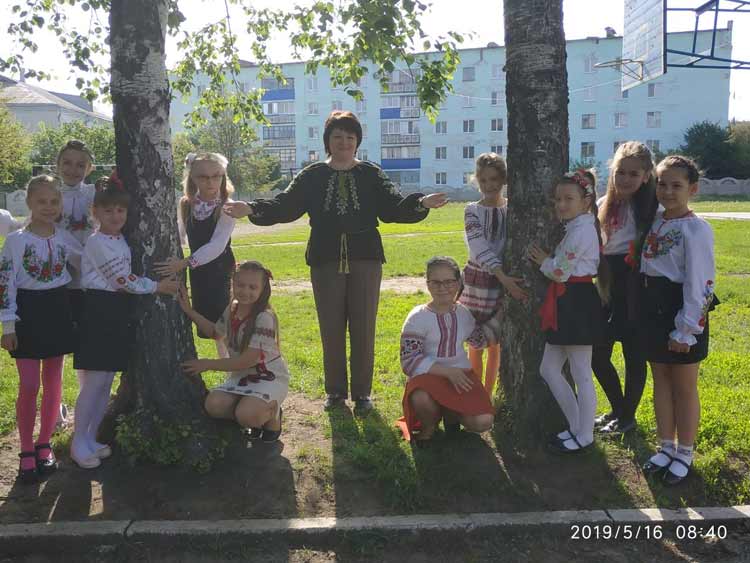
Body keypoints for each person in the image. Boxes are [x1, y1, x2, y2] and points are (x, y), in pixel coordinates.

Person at [223, 111, 448, 414]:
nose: (344, 142)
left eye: (350, 137)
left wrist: (421, 203)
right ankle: (335, 393)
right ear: (327, 141)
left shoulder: (370, 173)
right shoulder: (312, 175)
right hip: (325, 257)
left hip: (366, 257)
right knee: (330, 327)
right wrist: (251, 207)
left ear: (358, 142)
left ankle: (363, 394)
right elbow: (286, 205)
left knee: (364, 326)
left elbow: (393, 206)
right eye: (337, 136)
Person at [71, 172, 179, 469]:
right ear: (95, 211)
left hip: (116, 312)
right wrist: (157, 286)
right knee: (94, 382)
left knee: (106, 381)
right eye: (108, 210)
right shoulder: (97, 242)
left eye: (120, 210)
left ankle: (91, 437)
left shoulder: (118, 239)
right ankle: (78, 441)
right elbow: (121, 280)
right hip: (99, 311)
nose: (116, 215)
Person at [640, 156, 717, 486]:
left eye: (676, 185)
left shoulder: (695, 230)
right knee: (661, 380)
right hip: (653, 311)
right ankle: (665, 446)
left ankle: (685, 452)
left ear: (692, 189)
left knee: (684, 386)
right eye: (662, 184)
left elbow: (701, 284)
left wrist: (685, 330)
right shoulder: (656, 221)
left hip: (681, 310)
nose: (668, 191)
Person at [0, 175, 82, 483]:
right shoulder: (17, 241)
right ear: (29, 203)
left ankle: (44, 443)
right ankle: (25, 448)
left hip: (57, 310)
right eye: (41, 201)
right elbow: (5, 282)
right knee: (29, 384)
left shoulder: (64, 237)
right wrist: (8, 324)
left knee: (53, 380)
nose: (49, 207)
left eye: (54, 201)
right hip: (27, 312)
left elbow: (85, 261)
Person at [528, 171, 609, 453]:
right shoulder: (576, 227)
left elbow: (560, 272)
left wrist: (543, 260)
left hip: (577, 302)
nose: (561, 204)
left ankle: (585, 435)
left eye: (568, 199)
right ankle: (577, 426)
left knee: (581, 371)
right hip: (568, 301)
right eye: (558, 199)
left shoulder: (582, 230)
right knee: (549, 369)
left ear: (586, 201)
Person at [179, 261, 289, 442]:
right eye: (240, 285)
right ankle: (250, 409)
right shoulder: (233, 308)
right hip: (241, 376)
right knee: (213, 405)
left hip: (268, 377)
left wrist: (207, 364)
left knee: (247, 415)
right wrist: (189, 311)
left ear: (263, 289)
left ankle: (272, 416)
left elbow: (247, 361)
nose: (245, 291)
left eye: (252, 287)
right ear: (232, 283)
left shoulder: (264, 318)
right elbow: (216, 333)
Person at [592, 142, 658, 435]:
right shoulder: (602, 204)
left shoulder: (652, 209)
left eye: (634, 174)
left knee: (634, 355)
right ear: (613, 171)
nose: (626, 179)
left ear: (646, 176)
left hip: (636, 284)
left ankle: (627, 417)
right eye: (621, 172)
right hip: (606, 282)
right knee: (597, 353)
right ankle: (618, 409)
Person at [398, 256, 499, 446]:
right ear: (427, 284)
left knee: (484, 421)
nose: (442, 287)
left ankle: (451, 416)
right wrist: (448, 372)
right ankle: (429, 427)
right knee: (421, 398)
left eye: (449, 282)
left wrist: (502, 314)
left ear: (458, 283)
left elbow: (479, 341)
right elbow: (409, 361)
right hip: (429, 377)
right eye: (435, 282)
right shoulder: (417, 317)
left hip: (461, 377)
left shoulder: (463, 313)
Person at [156, 152, 236, 358]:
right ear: (192, 177)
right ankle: (225, 362)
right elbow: (179, 234)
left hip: (220, 269)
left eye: (216, 176)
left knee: (225, 322)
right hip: (199, 272)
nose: (211, 182)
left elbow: (217, 245)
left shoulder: (227, 207)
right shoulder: (186, 204)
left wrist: (184, 263)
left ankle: (233, 365)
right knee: (208, 320)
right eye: (203, 177)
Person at [459, 152, 526, 395]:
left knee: (495, 342)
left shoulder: (512, 210)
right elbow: (478, 247)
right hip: (477, 282)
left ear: (504, 179)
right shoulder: (471, 210)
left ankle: (487, 395)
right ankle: (475, 395)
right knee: (475, 343)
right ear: (477, 180)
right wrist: (503, 277)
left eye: (494, 179)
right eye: (484, 180)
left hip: (499, 284)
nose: (489, 185)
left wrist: (503, 279)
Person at [56, 139, 97, 427]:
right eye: (67, 163)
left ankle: (86, 399)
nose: (73, 169)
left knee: (86, 344)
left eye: (80, 165)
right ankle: (55, 401)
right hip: (58, 280)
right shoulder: (50, 193)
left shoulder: (94, 193)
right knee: (57, 344)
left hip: (90, 280)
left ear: (89, 168)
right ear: (57, 164)